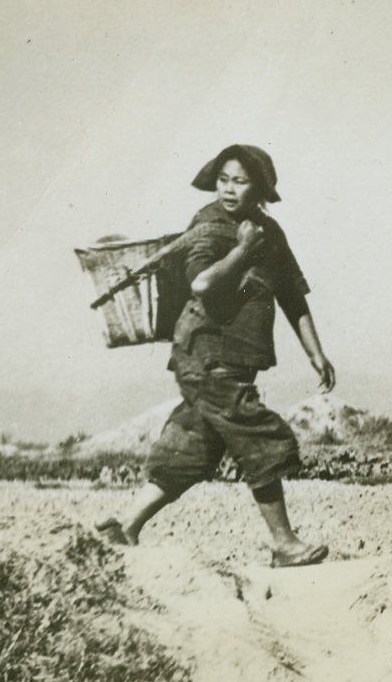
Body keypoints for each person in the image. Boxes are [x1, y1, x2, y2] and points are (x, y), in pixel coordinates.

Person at [97, 144, 336, 566]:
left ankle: (124, 527)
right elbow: (203, 284)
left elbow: (292, 296)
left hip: (229, 359)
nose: (228, 189)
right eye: (223, 179)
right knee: (256, 434)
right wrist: (242, 250)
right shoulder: (208, 226)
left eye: (240, 181)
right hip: (207, 354)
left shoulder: (270, 233)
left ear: (258, 188)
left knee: (193, 447)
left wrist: (316, 353)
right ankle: (284, 543)